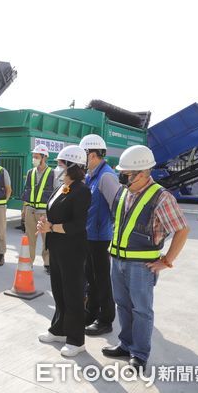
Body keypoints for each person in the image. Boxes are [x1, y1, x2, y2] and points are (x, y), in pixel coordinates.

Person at [101, 145, 189, 373]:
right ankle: (126, 344)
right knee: (123, 305)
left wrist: (167, 260)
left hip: (142, 266)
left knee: (141, 310)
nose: (122, 177)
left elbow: (182, 229)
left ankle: (139, 354)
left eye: (127, 174)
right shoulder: (124, 192)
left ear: (143, 173)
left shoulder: (161, 197)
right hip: (118, 260)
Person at [37, 145, 91, 357]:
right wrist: (46, 222)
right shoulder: (62, 187)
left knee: (73, 294)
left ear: (72, 166)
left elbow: (78, 224)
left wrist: (53, 227)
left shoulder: (82, 190)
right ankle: (58, 329)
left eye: (60, 164)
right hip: (57, 247)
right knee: (59, 290)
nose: (57, 168)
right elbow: (55, 213)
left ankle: (76, 340)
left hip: (73, 250)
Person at [79, 134, 119, 335]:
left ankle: (106, 319)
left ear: (92, 155)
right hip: (90, 235)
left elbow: (118, 207)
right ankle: (91, 312)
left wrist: (106, 226)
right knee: (91, 278)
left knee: (102, 279)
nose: (81, 159)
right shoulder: (91, 175)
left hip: (101, 237)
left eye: (83, 155)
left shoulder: (106, 176)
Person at [20, 144, 54, 274]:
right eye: (33, 156)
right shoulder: (30, 173)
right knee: (30, 239)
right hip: (30, 210)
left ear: (44, 157)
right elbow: (26, 191)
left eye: (36, 157)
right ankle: (29, 262)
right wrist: (24, 209)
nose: (34, 159)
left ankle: (48, 263)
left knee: (47, 239)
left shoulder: (52, 173)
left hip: (44, 212)